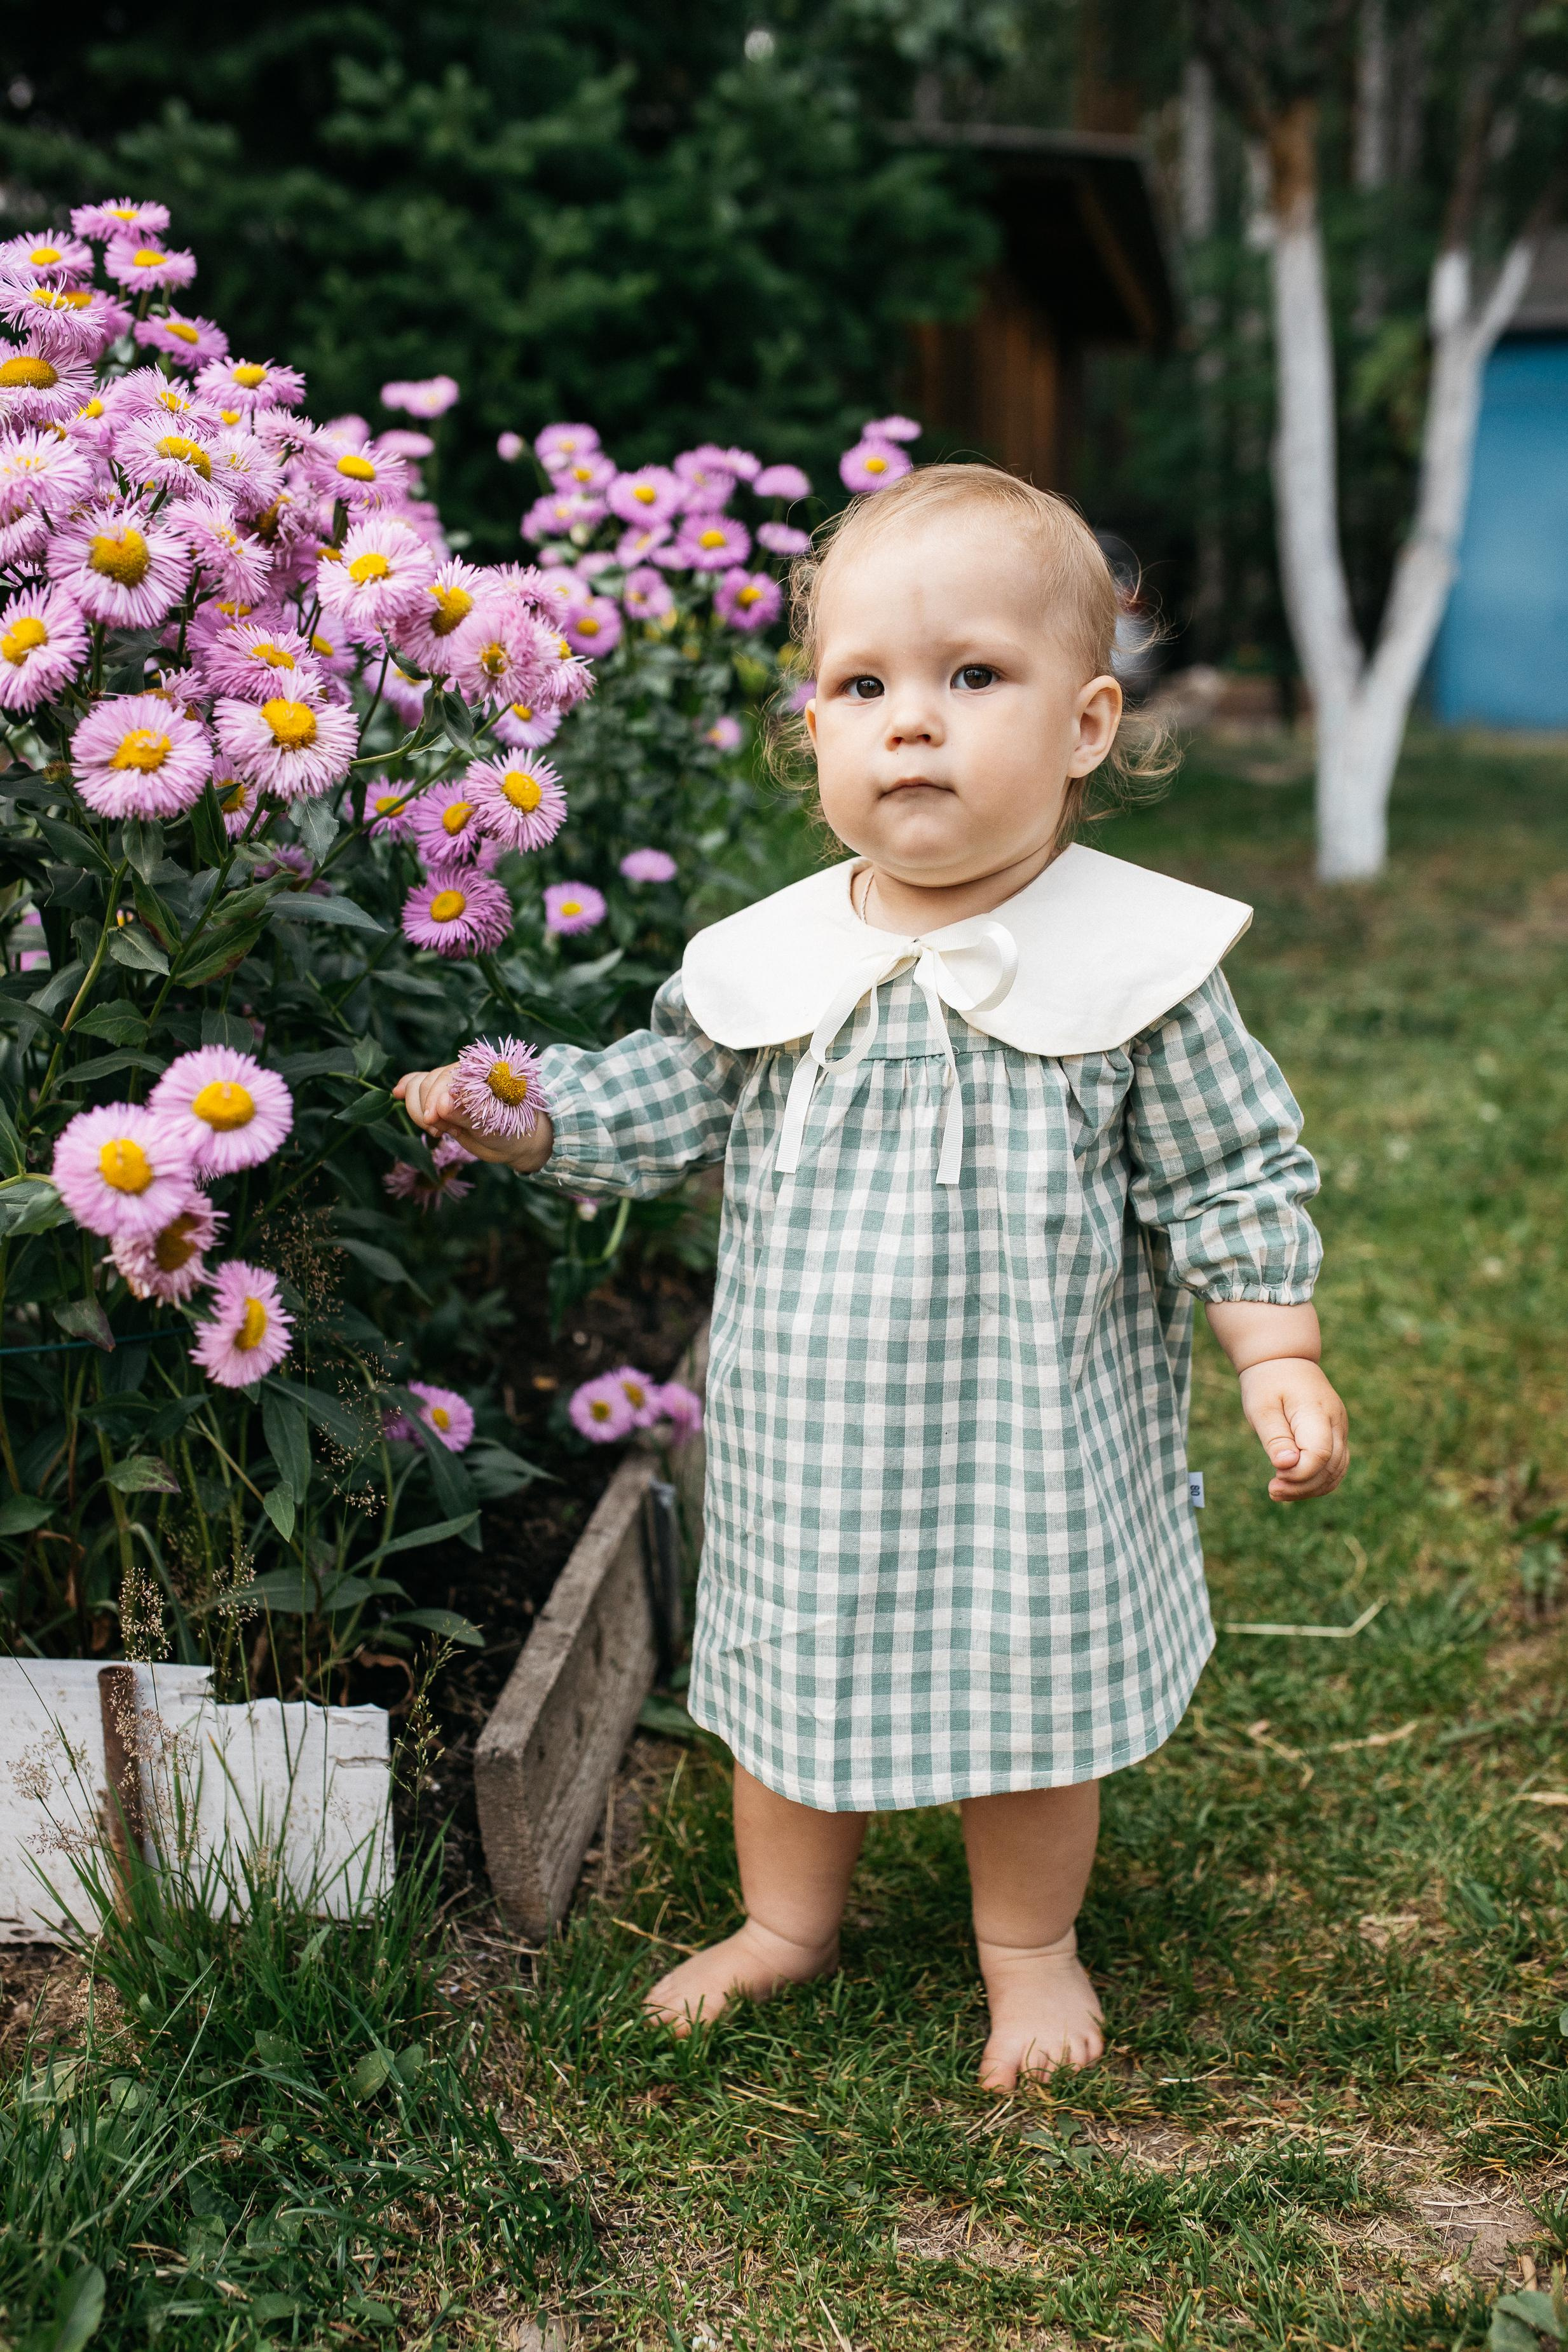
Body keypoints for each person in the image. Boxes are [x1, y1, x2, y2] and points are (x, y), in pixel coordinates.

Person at [395, 465, 1349, 2090]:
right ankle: (789, 1917)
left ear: (1088, 724)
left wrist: (1276, 1346)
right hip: (808, 1439)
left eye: (973, 676)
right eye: (865, 685)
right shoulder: (776, 958)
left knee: (1032, 1695)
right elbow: (662, 1095)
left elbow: (1231, 1169)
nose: (913, 721)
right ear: (815, 735)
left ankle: (1028, 1946)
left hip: (1034, 1445)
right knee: (786, 1676)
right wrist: (531, 1111)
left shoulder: (1142, 972)